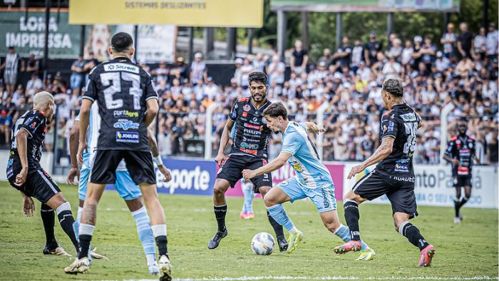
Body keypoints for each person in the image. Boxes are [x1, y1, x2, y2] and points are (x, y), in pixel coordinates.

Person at [64, 32, 172, 281]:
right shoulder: (143, 73)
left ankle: (82, 255)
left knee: (91, 200)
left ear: (110, 51)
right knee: (151, 200)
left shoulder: (98, 72)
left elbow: (84, 109)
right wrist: (139, 127)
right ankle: (163, 255)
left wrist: (81, 143)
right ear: (132, 51)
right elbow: (154, 108)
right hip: (136, 140)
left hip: (107, 141)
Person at [242, 102, 375, 260]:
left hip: (319, 182)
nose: (269, 125)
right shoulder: (292, 126)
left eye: (270, 121)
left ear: (279, 118)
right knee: (270, 198)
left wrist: (254, 173)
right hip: (302, 180)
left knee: (332, 225)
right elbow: (307, 125)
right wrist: (316, 127)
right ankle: (294, 232)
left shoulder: (292, 135)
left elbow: (280, 162)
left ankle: (366, 249)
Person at [334, 79, 435, 267]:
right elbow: (419, 123)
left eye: (382, 96)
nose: (382, 99)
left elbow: (386, 148)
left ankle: (355, 240)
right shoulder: (412, 113)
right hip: (406, 175)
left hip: (387, 172)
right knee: (400, 222)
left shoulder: (390, 115)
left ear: (387, 95)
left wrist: (361, 165)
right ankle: (424, 246)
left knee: (350, 199)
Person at [66, 102, 173, 274]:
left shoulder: (93, 97)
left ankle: (83, 257)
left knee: (86, 205)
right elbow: (148, 134)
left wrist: (73, 165)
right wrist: (160, 165)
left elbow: (74, 132)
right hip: (125, 157)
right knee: (139, 210)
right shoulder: (132, 98)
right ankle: (153, 262)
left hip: (96, 156)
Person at [208, 72, 288, 251]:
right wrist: (221, 152)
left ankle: (281, 237)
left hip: (258, 158)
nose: (257, 91)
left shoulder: (272, 109)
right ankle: (221, 230)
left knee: (268, 193)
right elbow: (227, 128)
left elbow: (284, 129)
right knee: (217, 188)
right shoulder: (240, 104)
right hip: (236, 155)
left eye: (260, 87)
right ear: (249, 88)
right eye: (253, 88)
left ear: (266, 87)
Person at [6, 91, 80, 259]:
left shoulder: (23, 117)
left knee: (48, 202)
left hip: (13, 169)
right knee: (62, 204)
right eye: (53, 106)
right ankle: (82, 249)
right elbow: (21, 135)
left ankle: (51, 245)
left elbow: (18, 139)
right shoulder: (38, 115)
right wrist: (25, 168)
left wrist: (25, 193)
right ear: (50, 106)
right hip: (28, 167)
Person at [443, 121, 479, 224]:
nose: (462, 128)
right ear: (457, 128)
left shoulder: (471, 141)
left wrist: (476, 158)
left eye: (464, 126)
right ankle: (456, 215)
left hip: (468, 170)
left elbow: (473, 154)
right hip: (457, 171)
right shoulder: (453, 141)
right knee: (458, 194)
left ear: (467, 127)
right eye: (460, 126)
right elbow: (445, 155)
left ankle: (457, 208)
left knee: (468, 194)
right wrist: (452, 160)